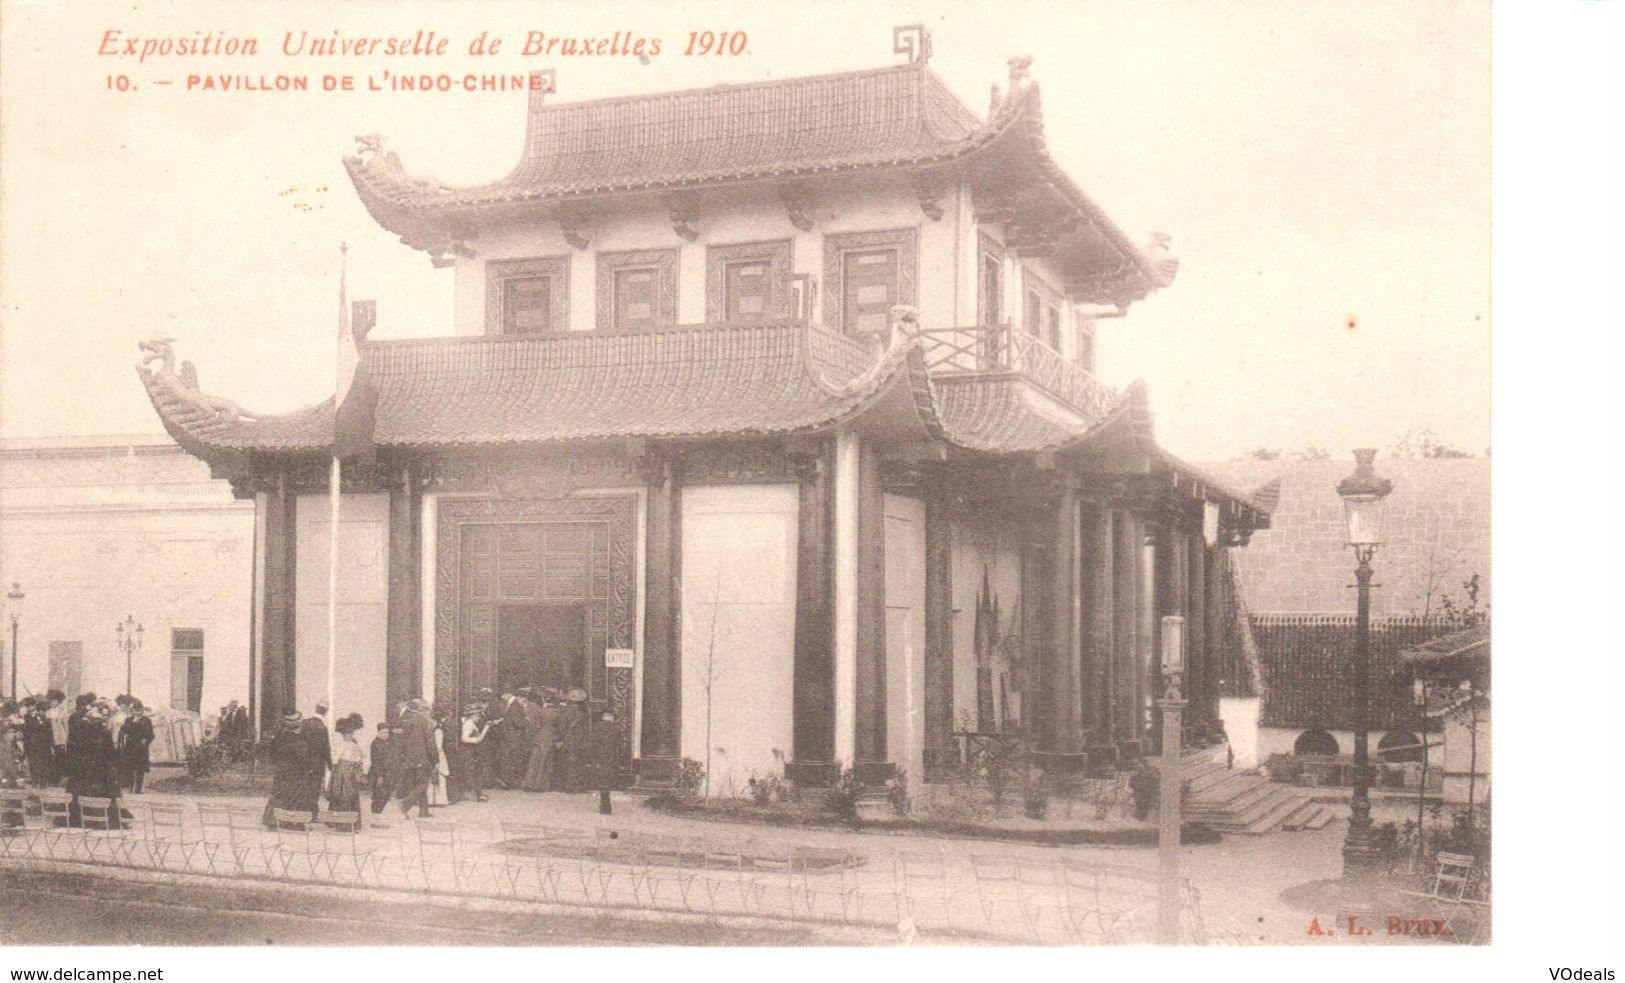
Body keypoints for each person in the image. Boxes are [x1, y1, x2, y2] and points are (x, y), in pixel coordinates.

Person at [66, 701, 121, 828]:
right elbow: (110, 753)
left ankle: (84, 818)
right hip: (97, 769)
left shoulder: (83, 733)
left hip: (87, 768)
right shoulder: (102, 733)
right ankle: (97, 818)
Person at [263, 710, 316, 828]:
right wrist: (310, 768)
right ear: (299, 724)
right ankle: (295, 822)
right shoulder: (300, 741)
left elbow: (272, 754)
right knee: (298, 796)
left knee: (279, 795)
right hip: (297, 774)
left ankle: (274, 820)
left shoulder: (280, 737)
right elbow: (305, 760)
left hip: (282, 772)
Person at [394, 699, 437, 820]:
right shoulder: (427, 723)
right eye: (427, 710)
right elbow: (431, 743)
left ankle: (424, 811)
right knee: (423, 784)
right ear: (422, 710)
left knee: (417, 784)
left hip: (410, 759)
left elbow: (401, 742)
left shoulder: (407, 722)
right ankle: (405, 804)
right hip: (423, 759)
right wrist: (435, 759)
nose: (429, 712)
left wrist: (403, 757)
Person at [524, 691, 564, 792]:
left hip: (539, 737)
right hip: (550, 738)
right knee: (545, 762)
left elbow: (535, 725)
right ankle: (540, 786)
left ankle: (529, 784)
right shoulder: (558, 712)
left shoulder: (540, 711)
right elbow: (560, 728)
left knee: (534, 761)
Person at [327, 713, 365, 817]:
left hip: (345, 770)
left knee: (343, 793)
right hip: (344, 770)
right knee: (342, 793)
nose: (351, 734)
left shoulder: (351, 743)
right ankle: (341, 819)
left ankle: (343, 819)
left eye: (352, 732)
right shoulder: (345, 743)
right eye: (349, 733)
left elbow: (336, 760)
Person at [556, 689, 591, 793]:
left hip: (569, 740)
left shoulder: (566, 712)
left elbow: (562, 727)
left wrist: (560, 739)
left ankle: (569, 787)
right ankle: (578, 786)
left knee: (569, 763)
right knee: (579, 764)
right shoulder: (584, 712)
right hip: (581, 740)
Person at [120, 701, 155, 794]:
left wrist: (146, 741)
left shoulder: (147, 720)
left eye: (140, 710)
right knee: (130, 768)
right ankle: (130, 787)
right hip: (130, 747)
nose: (138, 712)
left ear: (143, 710)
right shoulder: (128, 720)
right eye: (136, 710)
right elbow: (124, 730)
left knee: (140, 769)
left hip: (140, 747)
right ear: (133, 711)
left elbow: (151, 734)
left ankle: (138, 789)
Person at [458, 703, 490, 802]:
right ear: (472, 715)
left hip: (472, 751)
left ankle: (476, 793)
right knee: (471, 771)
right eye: (477, 715)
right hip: (469, 751)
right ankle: (472, 793)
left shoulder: (470, 723)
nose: (478, 717)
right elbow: (464, 738)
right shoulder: (468, 724)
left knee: (474, 771)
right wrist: (478, 738)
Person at [22, 696, 55, 787]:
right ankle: (35, 781)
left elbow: (49, 732)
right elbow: (26, 732)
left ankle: (42, 781)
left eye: (30, 706)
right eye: (27, 706)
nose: (28, 708)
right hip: (31, 744)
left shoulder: (41, 717)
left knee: (43, 763)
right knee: (33, 762)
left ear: (33, 706)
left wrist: (50, 744)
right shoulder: (26, 717)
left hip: (42, 744)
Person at [367, 723, 395, 815]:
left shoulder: (388, 742)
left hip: (388, 773)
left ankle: (378, 813)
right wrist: (379, 776)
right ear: (378, 732)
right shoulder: (375, 743)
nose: (386, 735)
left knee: (386, 795)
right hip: (378, 773)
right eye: (383, 733)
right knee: (379, 795)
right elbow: (375, 761)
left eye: (387, 733)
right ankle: (375, 813)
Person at [428, 709, 451, 806]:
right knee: (433, 778)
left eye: (432, 721)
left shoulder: (438, 731)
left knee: (439, 777)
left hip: (438, 755)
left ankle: (440, 800)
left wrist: (434, 757)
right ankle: (432, 799)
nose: (430, 722)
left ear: (436, 721)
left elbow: (438, 746)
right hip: (434, 755)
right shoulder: (433, 731)